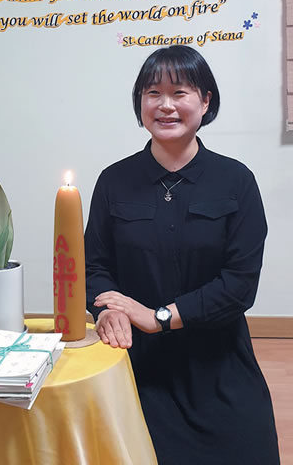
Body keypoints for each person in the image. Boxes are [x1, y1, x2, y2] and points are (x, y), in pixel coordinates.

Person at [84, 45, 280, 464]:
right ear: (140, 103)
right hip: (136, 365)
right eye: (153, 93)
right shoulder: (114, 181)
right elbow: (94, 267)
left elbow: (240, 285)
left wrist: (159, 317)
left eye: (180, 92)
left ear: (205, 101)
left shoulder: (236, 180)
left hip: (219, 361)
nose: (166, 105)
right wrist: (107, 310)